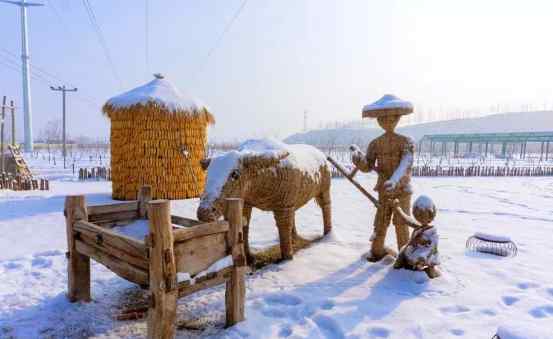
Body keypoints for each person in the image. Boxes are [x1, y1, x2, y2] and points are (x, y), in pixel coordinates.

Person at [352, 94, 415, 262]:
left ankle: (405, 257)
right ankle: (377, 250)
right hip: (384, 191)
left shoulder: (406, 142)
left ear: (397, 119)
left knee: (401, 223)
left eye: (391, 118)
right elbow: (368, 165)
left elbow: (406, 164)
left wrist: (394, 180)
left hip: (401, 190)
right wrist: (359, 162)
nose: (387, 122)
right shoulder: (375, 144)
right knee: (381, 222)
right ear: (379, 121)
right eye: (383, 119)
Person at [391, 196, 441, 279]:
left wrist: (423, 255)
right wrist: (398, 208)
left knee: (426, 268)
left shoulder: (432, 233)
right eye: (418, 215)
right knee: (402, 256)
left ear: (431, 216)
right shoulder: (418, 226)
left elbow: (432, 248)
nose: (420, 218)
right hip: (413, 251)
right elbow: (407, 219)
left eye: (423, 215)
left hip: (425, 255)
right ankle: (401, 270)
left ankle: (430, 273)